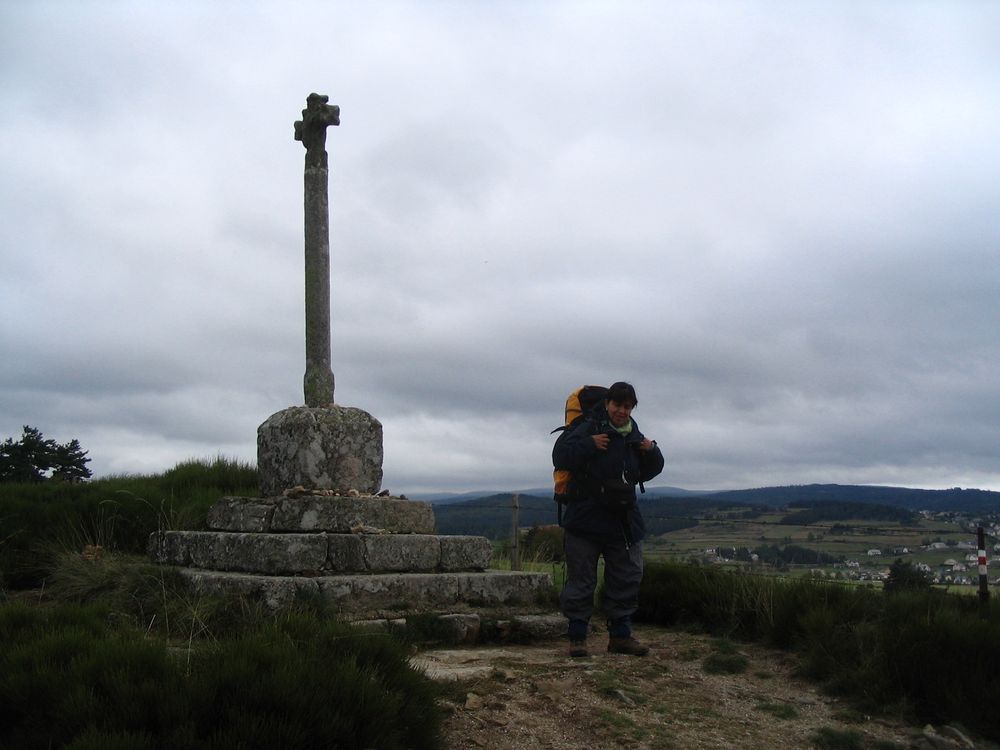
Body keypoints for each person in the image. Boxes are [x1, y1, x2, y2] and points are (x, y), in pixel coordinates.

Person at [552, 381, 665, 657]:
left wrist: (652, 452)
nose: (622, 411)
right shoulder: (588, 427)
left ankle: (620, 637)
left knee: (626, 577)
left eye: (627, 406)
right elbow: (560, 456)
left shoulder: (634, 434)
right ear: (607, 404)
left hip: (622, 521)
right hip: (585, 518)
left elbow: (648, 471)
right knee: (581, 579)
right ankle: (577, 639)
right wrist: (589, 444)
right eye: (617, 405)